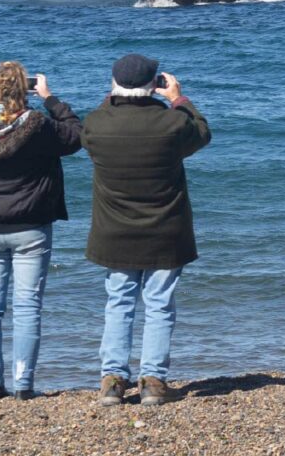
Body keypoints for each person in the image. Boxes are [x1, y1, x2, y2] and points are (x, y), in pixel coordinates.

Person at [81, 53, 211, 406]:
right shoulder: (171, 124)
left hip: (115, 232)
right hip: (165, 230)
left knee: (119, 302)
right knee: (159, 304)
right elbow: (201, 132)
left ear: (114, 85)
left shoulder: (96, 124)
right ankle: (153, 381)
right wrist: (179, 99)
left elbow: (96, 121)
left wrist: (113, 97)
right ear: (154, 85)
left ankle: (113, 380)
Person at [0, 61, 82, 400]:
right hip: (30, 225)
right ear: (25, 88)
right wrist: (50, 98)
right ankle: (24, 386)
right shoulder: (36, 125)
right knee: (26, 306)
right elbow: (75, 135)